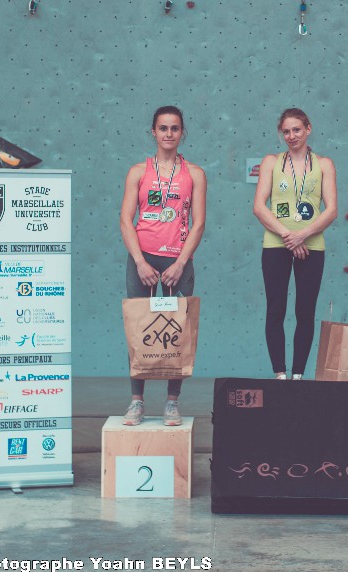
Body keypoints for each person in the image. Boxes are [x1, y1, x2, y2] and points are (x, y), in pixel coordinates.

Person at [119, 105, 207, 425]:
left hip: (177, 262)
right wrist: (140, 261)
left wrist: (181, 262)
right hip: (143, 259)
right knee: (139, 328)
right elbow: (125, 220)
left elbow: (198, 223)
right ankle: (137, 402)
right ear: (153, 132)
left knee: (177, 329)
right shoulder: (138, 172)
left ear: (182, 132)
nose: (169, 134)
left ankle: (172, 402)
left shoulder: (194, 173)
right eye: (163, 128)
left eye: (174, 128)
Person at [252, 108, 338, 380]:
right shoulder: (271, 162)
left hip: (311, 245)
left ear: (308, 129)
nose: (291, 136)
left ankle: (298, 375)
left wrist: (303, 235)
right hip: (276, 243)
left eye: (297, 130)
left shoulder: (324, 164)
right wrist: (290, 237)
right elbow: (259, 207)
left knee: (305, 310)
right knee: (276, 308)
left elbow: (331, 210)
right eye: (286, 131)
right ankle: (280, 374)